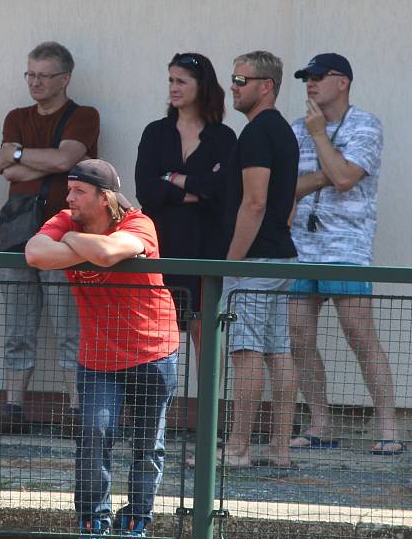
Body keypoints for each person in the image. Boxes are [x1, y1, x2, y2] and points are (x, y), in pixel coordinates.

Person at [26, 159, 179, 539]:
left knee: (149, 445)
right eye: (69, 190)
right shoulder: (65, 218)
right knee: (94, 436)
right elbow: (35, 252)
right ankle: (93, 528)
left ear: (104, 197)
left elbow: (113, 251)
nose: (69, 198)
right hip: (98, 356)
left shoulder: (138, 223)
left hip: (152, 350)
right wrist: (86, 246)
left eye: (78, 191)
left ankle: (136, 529)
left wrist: (74, 244)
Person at [288, 54, 401, 454]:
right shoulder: (296, 129)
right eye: (306, 78)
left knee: (359, 335)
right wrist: (326, 171)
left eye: (318, 76)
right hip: (301, 248)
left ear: (343, 82)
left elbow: (346, 178)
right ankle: (321, 423)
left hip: (346, 249)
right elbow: (289, 186)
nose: (310, 84)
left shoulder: (365, 125)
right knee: (299, 336)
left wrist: (321, 138)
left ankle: (388, 429)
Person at [0, 41, 100, 435]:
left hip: (69, 237)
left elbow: (66, 160)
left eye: (44, 75)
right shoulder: (16, 117)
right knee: (17, 327)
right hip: (20, 236)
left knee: (70, 325)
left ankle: (78, 411)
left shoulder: (84, 116)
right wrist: (40, 160)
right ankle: (12, 409)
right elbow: (4, 170)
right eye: (30, 74)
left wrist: (22, 157)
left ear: (65, 78)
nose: (35, 82)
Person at [220, 51, 299, 469]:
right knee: (277, 351)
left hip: (255, 260)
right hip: (280, 256)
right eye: (233, 79)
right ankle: (280, 449)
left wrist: (231, 264)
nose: (234, 86)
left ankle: (238, 448)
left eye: (241, 79)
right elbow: (286, 208)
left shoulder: (256, 133)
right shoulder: (283, 131)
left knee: (247, 351)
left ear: (265, 85)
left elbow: (254, 203)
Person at [135, 52, 236, 360]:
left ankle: (209, 408)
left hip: (206, 245)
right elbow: (146, 190)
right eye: (171, 81)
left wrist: (173, 178)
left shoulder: (223, 137)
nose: (174, 88)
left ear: (201, 86)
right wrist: (196, 188)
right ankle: (152, 406)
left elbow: (222, 191)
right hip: (162, 243)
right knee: (155, 327)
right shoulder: (156, 132)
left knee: (203, 328)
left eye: (181, 81)